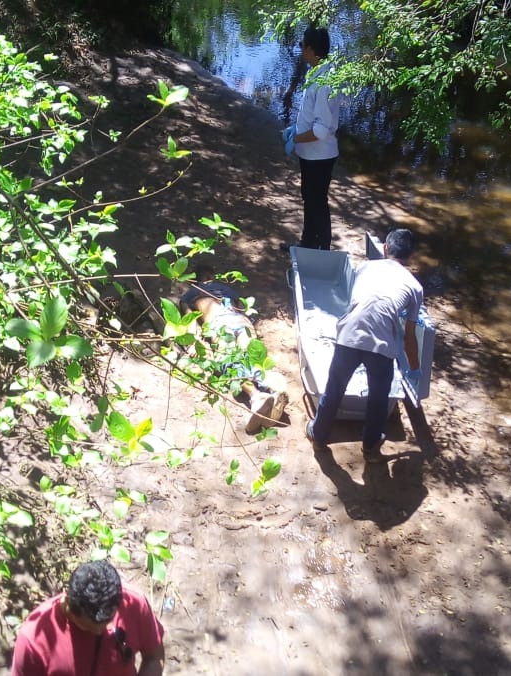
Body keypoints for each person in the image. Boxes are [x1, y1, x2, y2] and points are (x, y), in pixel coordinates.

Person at [306, 229, 423, 462]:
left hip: (348, 335)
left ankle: (318, 436)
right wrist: (414, 368)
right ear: (411, 256)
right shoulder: (415, 287)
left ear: (386, 249)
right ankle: (370, 449)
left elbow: (361, 303)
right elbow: (409, 336)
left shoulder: (366, 267)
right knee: (379, 398)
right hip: (381, 347)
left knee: (335, 387)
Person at [11, 560, 165, 676]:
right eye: (88, 628)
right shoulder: (33, 640)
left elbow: (154, 656)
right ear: (69, 606)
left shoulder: (133, 603)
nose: (101, 632)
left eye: (107, 623)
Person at [180, 281, 289, 434]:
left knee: (229, 360)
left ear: (197, 280)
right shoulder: (227, 289)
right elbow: (241, 308)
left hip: (218, 324)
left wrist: (192, 341)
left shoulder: (191, 293)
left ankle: (256, 397)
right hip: (241, 321)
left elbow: (190, 318)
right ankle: (270, 390)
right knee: (252, 355)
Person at [280, 25, 340, 251]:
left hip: (320, 155)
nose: (300, 49)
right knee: (310, 198)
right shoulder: (317, 71)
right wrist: (295, 130)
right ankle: (307, 244)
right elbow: (311, 118)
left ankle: (323, 250)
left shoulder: (324, 81)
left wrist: (295, 139)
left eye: (302, 45)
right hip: (311, 155)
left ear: (312, 49)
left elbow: (320, 131)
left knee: (317, 203)